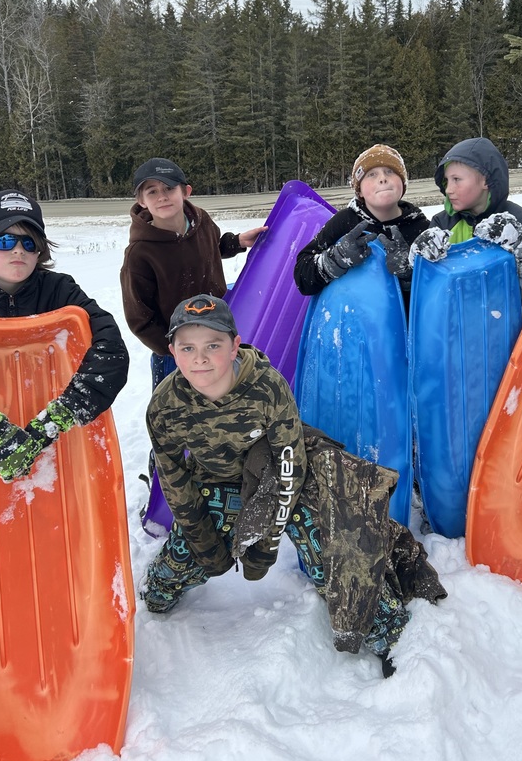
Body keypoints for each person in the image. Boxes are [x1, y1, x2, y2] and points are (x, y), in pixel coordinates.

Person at [141, 293, 446, 676]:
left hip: (274, 480)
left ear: (235, 345)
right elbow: (173, 478)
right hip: (215, 485)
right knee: (170, 580)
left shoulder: (267, 388)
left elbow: (290, 465)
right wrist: (204, 543)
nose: (200, 358)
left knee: (330, 546)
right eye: (187, 347)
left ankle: (385, 631)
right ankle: (156, 592)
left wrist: (266, 544)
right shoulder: (165, 406)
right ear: (172, 350)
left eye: (213, 345)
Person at [0, 190, 129, 482]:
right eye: (3, 239)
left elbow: (111, 351)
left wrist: (57, 419)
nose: (18, 250)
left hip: (58, 456)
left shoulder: (60, 293)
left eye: (29, 242)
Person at [120, 157, 266, 389]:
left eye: (169, 188)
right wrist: (175, 349)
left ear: (185, 191)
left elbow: (211, 248)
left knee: (223, 398)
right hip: (173, 352)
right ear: (141, 201)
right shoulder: (140, 254)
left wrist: (236, 241)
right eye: (152, 191)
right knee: (176, 412)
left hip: (216, 336)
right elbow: (140, 319)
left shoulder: (201, 221)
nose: (162, 196)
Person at [409, 137, 522, 308]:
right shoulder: (442, 223)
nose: (449, 189)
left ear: (486, 180)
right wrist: (419, 261)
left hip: (507, 328)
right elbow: (427, 292)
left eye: (456, 179)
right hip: (453, 327)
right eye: (446, 181)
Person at [293, 144, 430, 307]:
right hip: (350, 322)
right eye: (372, 174)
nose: (383, 178)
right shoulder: (344, 222)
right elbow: (302, 278)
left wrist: (409, 276)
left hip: (401, 328)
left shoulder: (421, 227)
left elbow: (435, 294)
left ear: (403, 183)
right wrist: (336, 259)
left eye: (390, 171)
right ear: (359, 191)